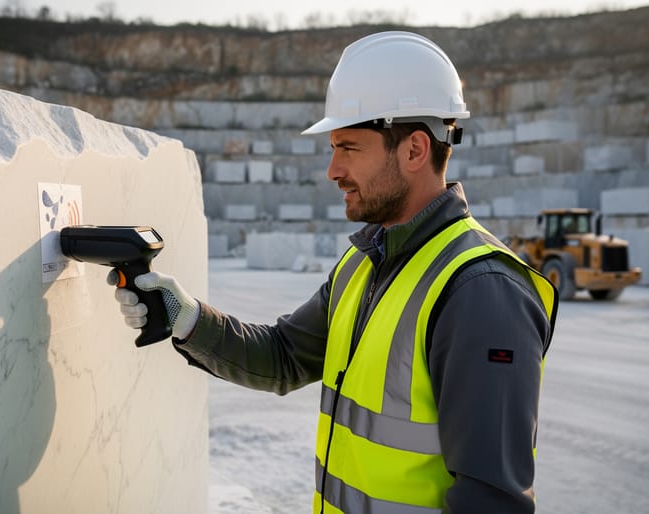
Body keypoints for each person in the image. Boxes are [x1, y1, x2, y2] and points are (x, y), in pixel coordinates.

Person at [113, 31, 559, 514]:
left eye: (348, 148)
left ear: (413, 150)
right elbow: (284, 355)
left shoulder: (482, 292)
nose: (332, 169)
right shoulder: (364, 262)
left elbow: (490, 503)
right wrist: (188, 319)